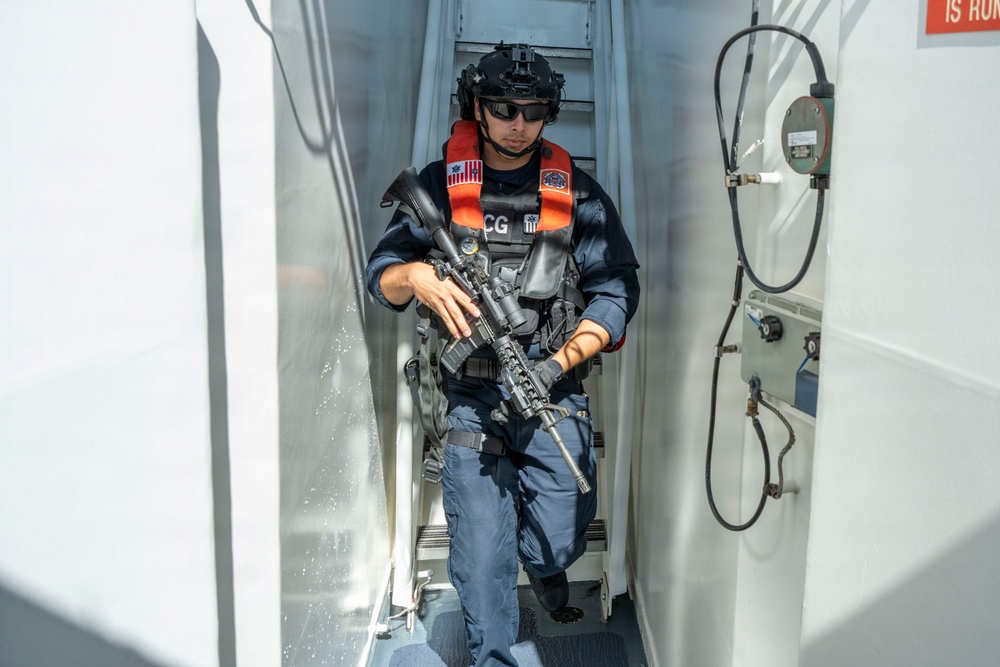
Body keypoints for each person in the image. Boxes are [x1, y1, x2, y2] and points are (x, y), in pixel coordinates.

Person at [365, 42, 639, 667]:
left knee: (561, 534)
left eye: (533, 111)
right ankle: (497, 655)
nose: (518, 124)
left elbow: (618, 291)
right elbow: (379, 278)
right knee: (484, 555)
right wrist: (418, 277)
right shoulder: (436, 187)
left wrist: (557, 363)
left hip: (554, 389)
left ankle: (544, 570)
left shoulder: (581, 196)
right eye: (503, 108)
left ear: (549, 114)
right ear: (478, 107)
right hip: (471, 399)